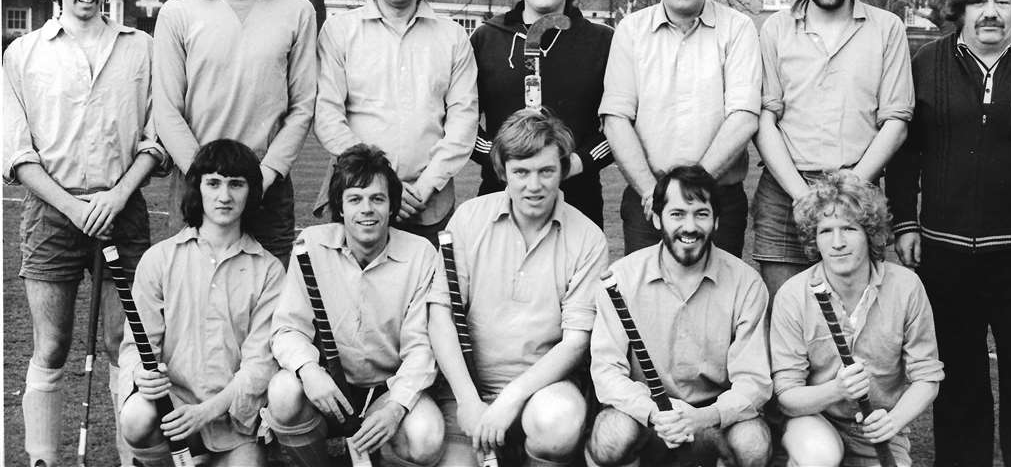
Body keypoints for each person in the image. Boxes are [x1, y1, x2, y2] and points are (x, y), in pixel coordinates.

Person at [885, 0, 1011, 467]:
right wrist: (904, 220)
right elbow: (906, 152)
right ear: (959, 9)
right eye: (977, 1)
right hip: (945, 256)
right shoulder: (928, 64)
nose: (989, 12)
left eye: (1001, 0)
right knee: (959, 379)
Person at [3, 0, 167, 467]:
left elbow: (156, 137)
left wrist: (118, 196)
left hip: (125, 212)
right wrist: (74, 206)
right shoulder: (22, 55)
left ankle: (130, 457)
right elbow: (16, 152)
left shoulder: (140, 48)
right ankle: (42, 459)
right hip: (53, 214)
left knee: (128, 344)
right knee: (51, 346)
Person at [428, 109, 608, 467]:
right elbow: (440, 316)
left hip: (542, 392)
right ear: (503, 171)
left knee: (558, 423)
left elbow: (575, 342)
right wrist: (467, 399)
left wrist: (511, 399)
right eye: (521, 172)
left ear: (563, 169)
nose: (534, 185)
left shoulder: (589, 237)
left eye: (546, 171)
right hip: (467, 392)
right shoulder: (468, 218)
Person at [152, 0, 317, 264]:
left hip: (268, 190)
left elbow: (303, 106)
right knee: (192, 308)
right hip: (196, 184)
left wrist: (267, 173)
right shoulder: (177, 13)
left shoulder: (298, 12)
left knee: (269, 312)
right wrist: (206, 179)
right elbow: (166, 108)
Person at [753, 0, 913, 302]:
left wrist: (850, 189)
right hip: (785, 191)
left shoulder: (887, 28)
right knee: (787, 315)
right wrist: (802, 195)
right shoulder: (774, 29)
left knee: (857, 319)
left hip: (859, 187)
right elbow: (764, 119)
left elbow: (896, 120)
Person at [266, 144, 446, 467]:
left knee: (426, 437)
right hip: (329, 389)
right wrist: (309, 371)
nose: (367, 209)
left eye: (377, 199)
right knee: (283, 392)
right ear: (340, 206)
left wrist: (396, 407)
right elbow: (286, 329)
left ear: (392, 207)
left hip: (386, 391)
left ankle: (374, 454)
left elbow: (422, 349)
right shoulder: (311, 245)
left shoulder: (422, 255)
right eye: (355, 199)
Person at [588, 164, 772, 467]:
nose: (690, 226)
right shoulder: (621, 279)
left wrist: (703, 417)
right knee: (610, 437)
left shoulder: (746, 283)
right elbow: (607, 373)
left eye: (701, 214)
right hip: (645, 413)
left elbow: (754, 382)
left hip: (713, 417)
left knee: (754, 444)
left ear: (715, 222)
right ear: (657, 218)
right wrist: (654, 412)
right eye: (677, 214)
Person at [600, 0, 762, 256]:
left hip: (718, 198)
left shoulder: (738, 29)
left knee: (719, 301)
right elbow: (615, 119)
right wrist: (654, 193)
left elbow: (744, 116)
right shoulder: (630, 31)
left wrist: (691, 191)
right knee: (645, 302)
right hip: (647, 199)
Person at [118, 139, 283, 466]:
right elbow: (136, 345)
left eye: (236, 184)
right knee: (135, 417)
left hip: (232, 419)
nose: (224, 196)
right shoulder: (159, 259)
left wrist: (206, 411)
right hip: (172, 411)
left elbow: (258, 366)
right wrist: (141, 373)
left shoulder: (270, 271)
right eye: (214, 183)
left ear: (251, 192)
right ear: (198, 189)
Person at [315, 0, 478, 242]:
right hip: (356, 198)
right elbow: (327, 117)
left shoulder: (453, 38)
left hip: (428, 204)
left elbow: (464, 122)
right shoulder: (339, 32)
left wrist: (425, 185)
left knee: (432, 292)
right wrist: (382, 184)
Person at [770, 170, 943, 467]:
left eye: (848, 229)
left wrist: (893, 421)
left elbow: (927, 377)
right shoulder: (793, 295)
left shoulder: (906, 287)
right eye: (825, 231)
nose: (837, 242)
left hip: (880, 427)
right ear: (814, 238)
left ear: (870, 232)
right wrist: (836, 390)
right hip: (814, 422)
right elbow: (787, 395)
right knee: (819, 456)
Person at [470, 0, 613, 225]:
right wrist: (502, 161)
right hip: (499, 196)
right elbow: (461, 121)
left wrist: (577, 163)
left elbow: (620, 127)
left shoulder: (602, 42)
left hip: (578, 202)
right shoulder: (486, 38)